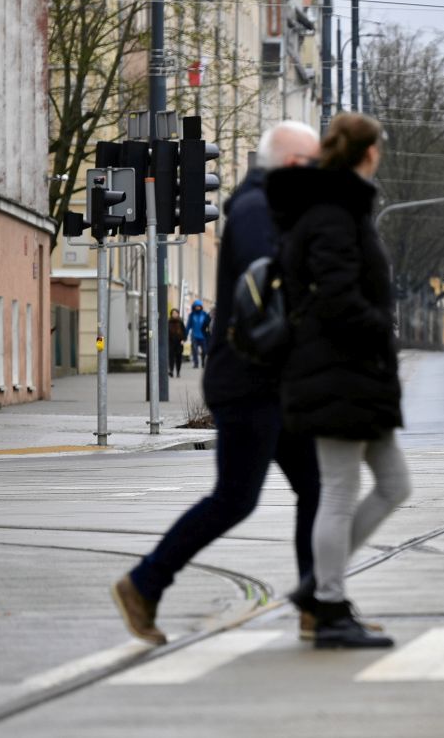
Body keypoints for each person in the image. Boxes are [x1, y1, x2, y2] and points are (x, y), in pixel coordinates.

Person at [111, 122, 323, 647]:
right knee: (235, 498)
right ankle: (143, 583)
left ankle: (319, 604)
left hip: (275, 382)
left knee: (317, 489)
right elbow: (265, 285)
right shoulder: (256, 210)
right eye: (314, 165)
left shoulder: (274, 207)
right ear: (292, 164)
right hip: (250, 382)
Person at [269, 113, 409, 651]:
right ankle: (327, 604)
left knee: (394, 484)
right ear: (369, 152)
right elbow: (337, 298)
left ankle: (318, 588)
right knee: (340, 491)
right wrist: (381, 331)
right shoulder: (332, 211)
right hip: (338, 371)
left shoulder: (341, 206)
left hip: (354, 373)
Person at [186, 300, 212, 369]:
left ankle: (203, 362)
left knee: (204, 350)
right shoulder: (192, 315)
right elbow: (188, 325)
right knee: (194, 350)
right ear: (194, 307)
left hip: (203, 335)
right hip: (194, 335)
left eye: (199, 306)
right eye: (196, 306)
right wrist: (185, 334)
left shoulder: (204, 314)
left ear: (201, 307)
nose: (197, 307)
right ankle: (196, 363)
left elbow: (208, 324)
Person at [167, 308, 186, 378]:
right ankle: (171, 371)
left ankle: (178, 372)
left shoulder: (180, 322)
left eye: (176, 313)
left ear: (178, 314)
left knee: (179, 358)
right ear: (171, 314)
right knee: (171, 357)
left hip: (179, 342)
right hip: (171, 342)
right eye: (173, 313)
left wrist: (183, 340)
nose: (174, 314)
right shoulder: (169, 322)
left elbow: (184, 331)